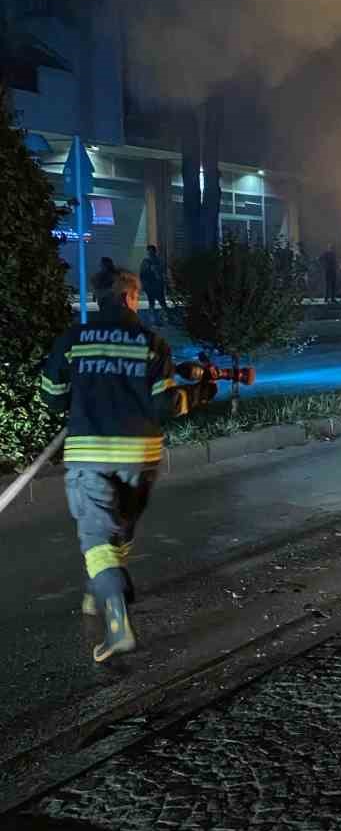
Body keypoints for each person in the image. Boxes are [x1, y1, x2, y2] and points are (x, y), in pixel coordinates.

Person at [37, 268, 214, 662]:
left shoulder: (73, 340)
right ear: (132, 298)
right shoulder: (151, 342)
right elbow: (165, 405)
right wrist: (200, 393)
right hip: (141, 455)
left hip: (92, 452)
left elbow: (52, 396)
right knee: (119, 529)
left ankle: (118, 627)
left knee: (96, 536)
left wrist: (81, 394)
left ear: (99, 299)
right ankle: (96, 588)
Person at [138, 245, 167, 324]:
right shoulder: (146, 261)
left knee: (162, 301)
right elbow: (142, 274)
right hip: (150, 285)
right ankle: (153, 318)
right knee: (152, 302)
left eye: (151, 251)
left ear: (154, 251)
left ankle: (164, 317)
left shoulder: (159, 261)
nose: (150, 252)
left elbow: (162, 272)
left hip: (157, 285)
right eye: (149, 251)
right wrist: (143, 284)